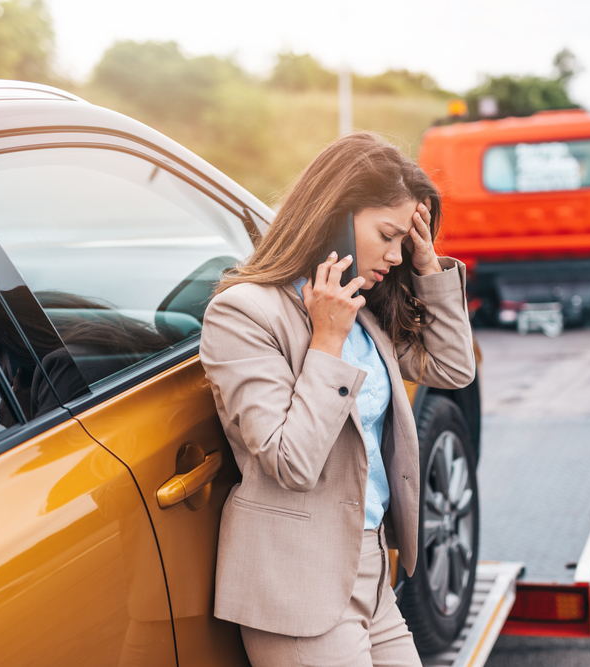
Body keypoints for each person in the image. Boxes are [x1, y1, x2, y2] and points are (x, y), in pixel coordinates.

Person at [199, 132, 476, 666]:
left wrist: (427, 265)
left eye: (405, 240)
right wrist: (325, 344)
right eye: (387, 235)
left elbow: (453, 367)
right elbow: (290, 461)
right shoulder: (245, 313)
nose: (394, 256)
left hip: (371, 569)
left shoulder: (365, 309)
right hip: (300, 585)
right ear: (337, 216)